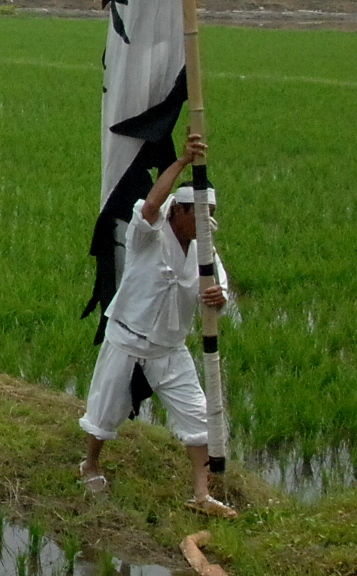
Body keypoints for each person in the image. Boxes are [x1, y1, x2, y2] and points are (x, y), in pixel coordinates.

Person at [77, 132, 235, 518]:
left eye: (208, 218)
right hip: (128, 338)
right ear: (178, 213)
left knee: (200, 418)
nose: (203, 225)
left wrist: (219, 298)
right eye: (197, 217)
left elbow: (217, 288)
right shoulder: (149, 235)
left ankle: (201, 494)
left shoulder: (204, 250)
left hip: (169, 348)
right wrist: (182, 161)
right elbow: (150, 205)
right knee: (104, 413)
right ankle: (90, 465)